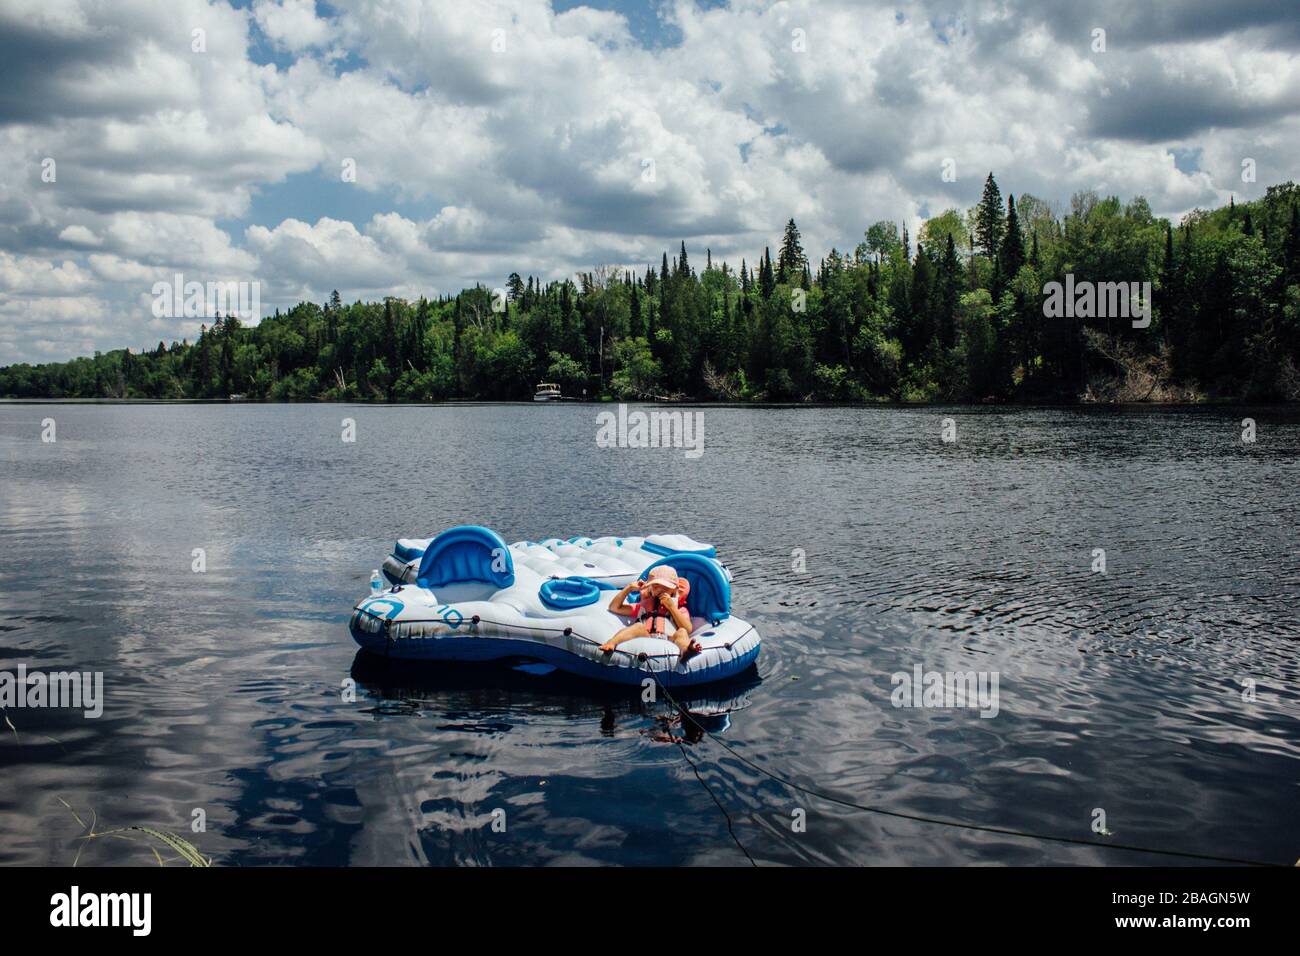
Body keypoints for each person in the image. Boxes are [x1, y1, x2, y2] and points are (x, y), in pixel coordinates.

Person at [600, 565, 702, 663]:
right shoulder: (643, 606)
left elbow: (687, 628)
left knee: (682, 632)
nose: (659, 590)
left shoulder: (680, 609)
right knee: (638, 626)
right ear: (649, 588)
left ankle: (685, 651)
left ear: (675, 589)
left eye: (665, 587)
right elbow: (614, 607)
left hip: (670, 638)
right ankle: (612, 642)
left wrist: (671, 607)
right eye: (656, 586)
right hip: (646, 635)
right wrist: (629, 588)